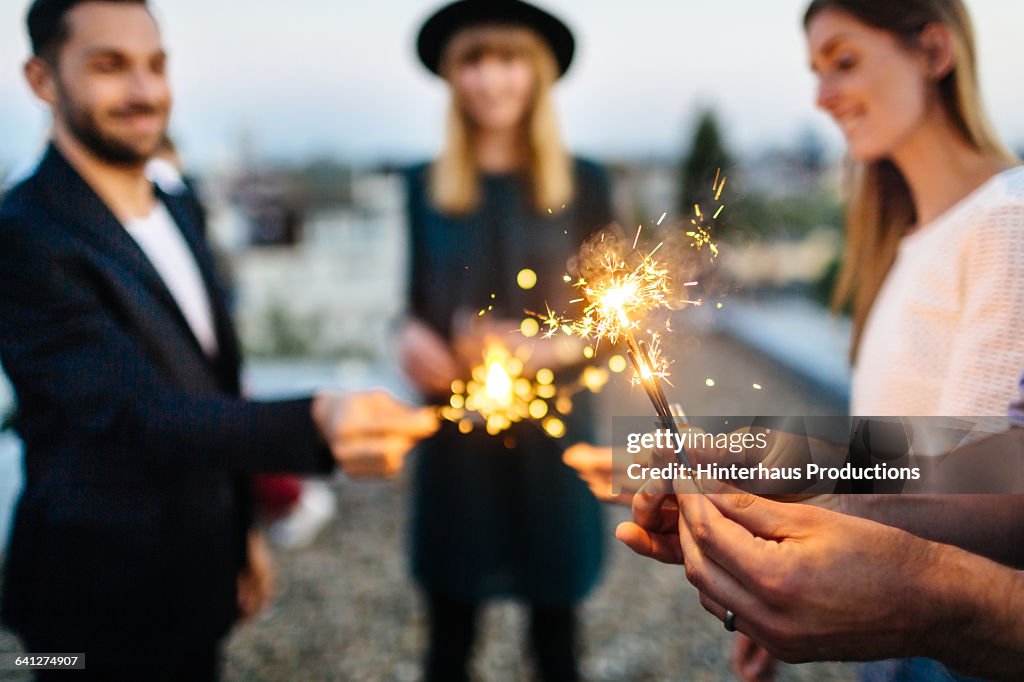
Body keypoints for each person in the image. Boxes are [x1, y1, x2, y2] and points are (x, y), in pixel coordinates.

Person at [0, 1, 436, 679]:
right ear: (42, 79)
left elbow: (212, 382)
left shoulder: (178, 202)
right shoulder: (25, 234)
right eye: (110, 67)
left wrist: (242, 530)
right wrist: (316, 417)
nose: (146, 93)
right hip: (91, 602)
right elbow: (132, 414)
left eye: (156, 65)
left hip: (200, 572)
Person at [398, 2, 612, 679]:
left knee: (556, 640)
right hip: (455, 446)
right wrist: (406, 337)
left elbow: (615, 330)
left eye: (509, 59)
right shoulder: (420, 187)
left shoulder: (586, 185)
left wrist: (542, 349)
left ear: (539, 73)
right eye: (474, 60)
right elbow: (410, 307)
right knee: (448, 638)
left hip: (554, 448)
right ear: (452, 75)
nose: (492, 80)